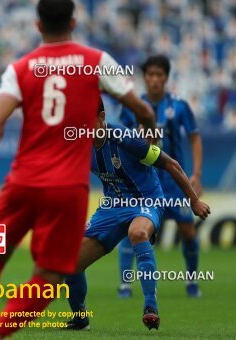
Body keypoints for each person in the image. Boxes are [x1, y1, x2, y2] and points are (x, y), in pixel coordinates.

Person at [0, 0, 156, 339]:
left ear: (37, 26)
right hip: (67, 190)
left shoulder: (20, 67)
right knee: (50, 275)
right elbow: (140, 107)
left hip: (20, 182)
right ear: (74, 21)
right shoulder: (96, 61)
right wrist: (148, 128)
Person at [65, 98, 210, 331]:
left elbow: (171, 164)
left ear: (101, 118)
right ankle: (80, 319)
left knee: (138, 232)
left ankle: (150, 307)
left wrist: (193, 200)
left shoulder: (126, 139)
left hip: (146, 200)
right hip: (112, 206)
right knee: (70, 265)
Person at [117, 55, 204, 298]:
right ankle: (125, 284)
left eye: (159, 75)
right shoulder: (131, 106)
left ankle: (192, 281)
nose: (155, 80)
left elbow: (195, 137)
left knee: (187, 230)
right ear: (144, 78)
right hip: (142, 182)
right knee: (131, 229)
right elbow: (119, 138)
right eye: (150, 75)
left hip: (174, 182)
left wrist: (196, 174)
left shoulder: (179, 106)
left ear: (166, 77)